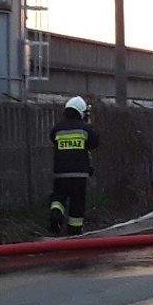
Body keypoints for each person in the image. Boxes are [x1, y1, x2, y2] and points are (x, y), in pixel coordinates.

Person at [49, 96, 101, 235]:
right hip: (79, 174)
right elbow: (95, 142)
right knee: (77, 201)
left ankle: (56, 213)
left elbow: (52, 137)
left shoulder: (57, 128)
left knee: (59, 195)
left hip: (60, 173)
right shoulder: (84, 129)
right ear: (82, 112)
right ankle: (74, 229)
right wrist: (88, 124)